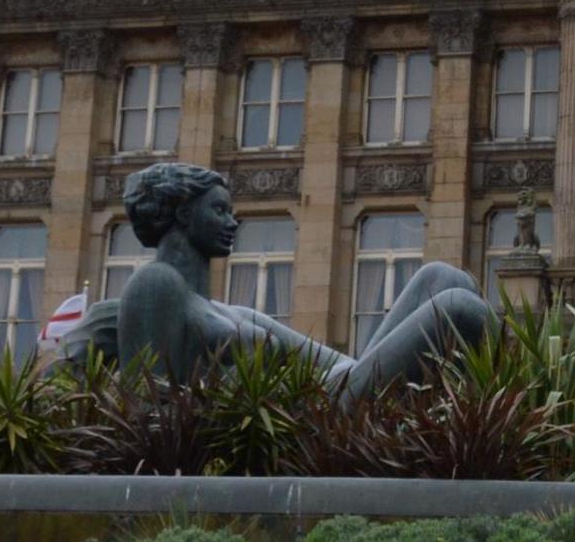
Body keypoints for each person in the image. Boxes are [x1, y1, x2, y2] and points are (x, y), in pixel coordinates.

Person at [61, 162, 491, 396]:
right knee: (458, 310)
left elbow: (340, 366)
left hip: (326, 400)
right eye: (220, 210)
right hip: (295, 424)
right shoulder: (155, 286)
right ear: (184, 214)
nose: (233, 221)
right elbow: (147, 405)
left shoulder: (231, 310)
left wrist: (390, 365)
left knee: (443, 277)